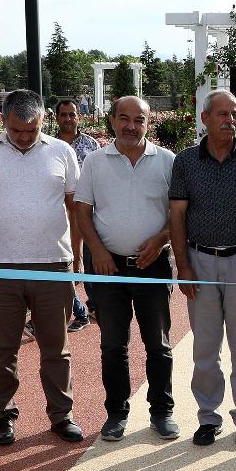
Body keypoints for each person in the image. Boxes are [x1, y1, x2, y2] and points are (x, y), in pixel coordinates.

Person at [0, 89, 84, 446]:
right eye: (17, 130)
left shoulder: (62, 151)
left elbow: (75, 208)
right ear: (3, 120)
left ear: (44, 120)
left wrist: (75, 258)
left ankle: (62, 415)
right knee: (1, 350)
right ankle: (3, 416)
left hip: (53, 265)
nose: (25, 137)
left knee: (56, 349)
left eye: (32, 130)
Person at [74, 96, 177, 444]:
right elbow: (82, 211)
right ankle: (116, 413)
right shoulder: (95, 161)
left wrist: (161, 240)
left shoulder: (167, 161)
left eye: (139, 120)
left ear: (149, 123)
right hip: (108, 268)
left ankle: (161, 412)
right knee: (113, 346)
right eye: (124, 118)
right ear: (112, 120)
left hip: (153, 266)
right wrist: (99, 252)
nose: (131, 126)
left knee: (158, 344)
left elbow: (178, 214)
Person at [169, 90, 236, 447]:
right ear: (204, 118)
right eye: (222, 113)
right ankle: (208, 417)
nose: (230, 120)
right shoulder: (186, 161)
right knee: (205, 348)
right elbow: (177, 216)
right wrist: (183, 266)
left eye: (235, 113)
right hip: (200, 262)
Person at [54, 99, 102, 333]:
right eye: (63, 115)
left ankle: (94, 306)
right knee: (60, 264)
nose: (68, 119)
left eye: (72, 114)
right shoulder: (48, 145)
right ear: (56, 118)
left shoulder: (91, 145)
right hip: (58, 214)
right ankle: (77, 309)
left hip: (88, 213)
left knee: (90, 262)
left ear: (78, 116)